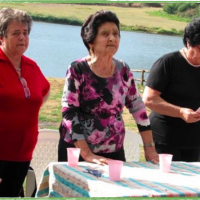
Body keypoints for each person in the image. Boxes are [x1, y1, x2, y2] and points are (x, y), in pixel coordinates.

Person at [58, 10, 158, 165]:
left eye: (116, 34)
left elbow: (138, 108)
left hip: (114, 150)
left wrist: (149, 147)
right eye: (105, 34)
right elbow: (69, 113)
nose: (112, 38)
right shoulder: (77, 70)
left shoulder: (123, 69)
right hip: (77, 152)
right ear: (91, 40)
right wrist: (87, 154)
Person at [0, 8, 50, 197]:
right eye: (16, 33)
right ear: (1, 37)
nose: (22, 37)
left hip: (23, 153)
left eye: (25, 33)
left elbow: (44, 91)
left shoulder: (31, 66)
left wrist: (28, 108)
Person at [143, 18, 200, 162]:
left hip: (195, 139)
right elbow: (149, 99)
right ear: (188, 43)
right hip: (165, 137)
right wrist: (180, 112)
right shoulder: (168, 63)